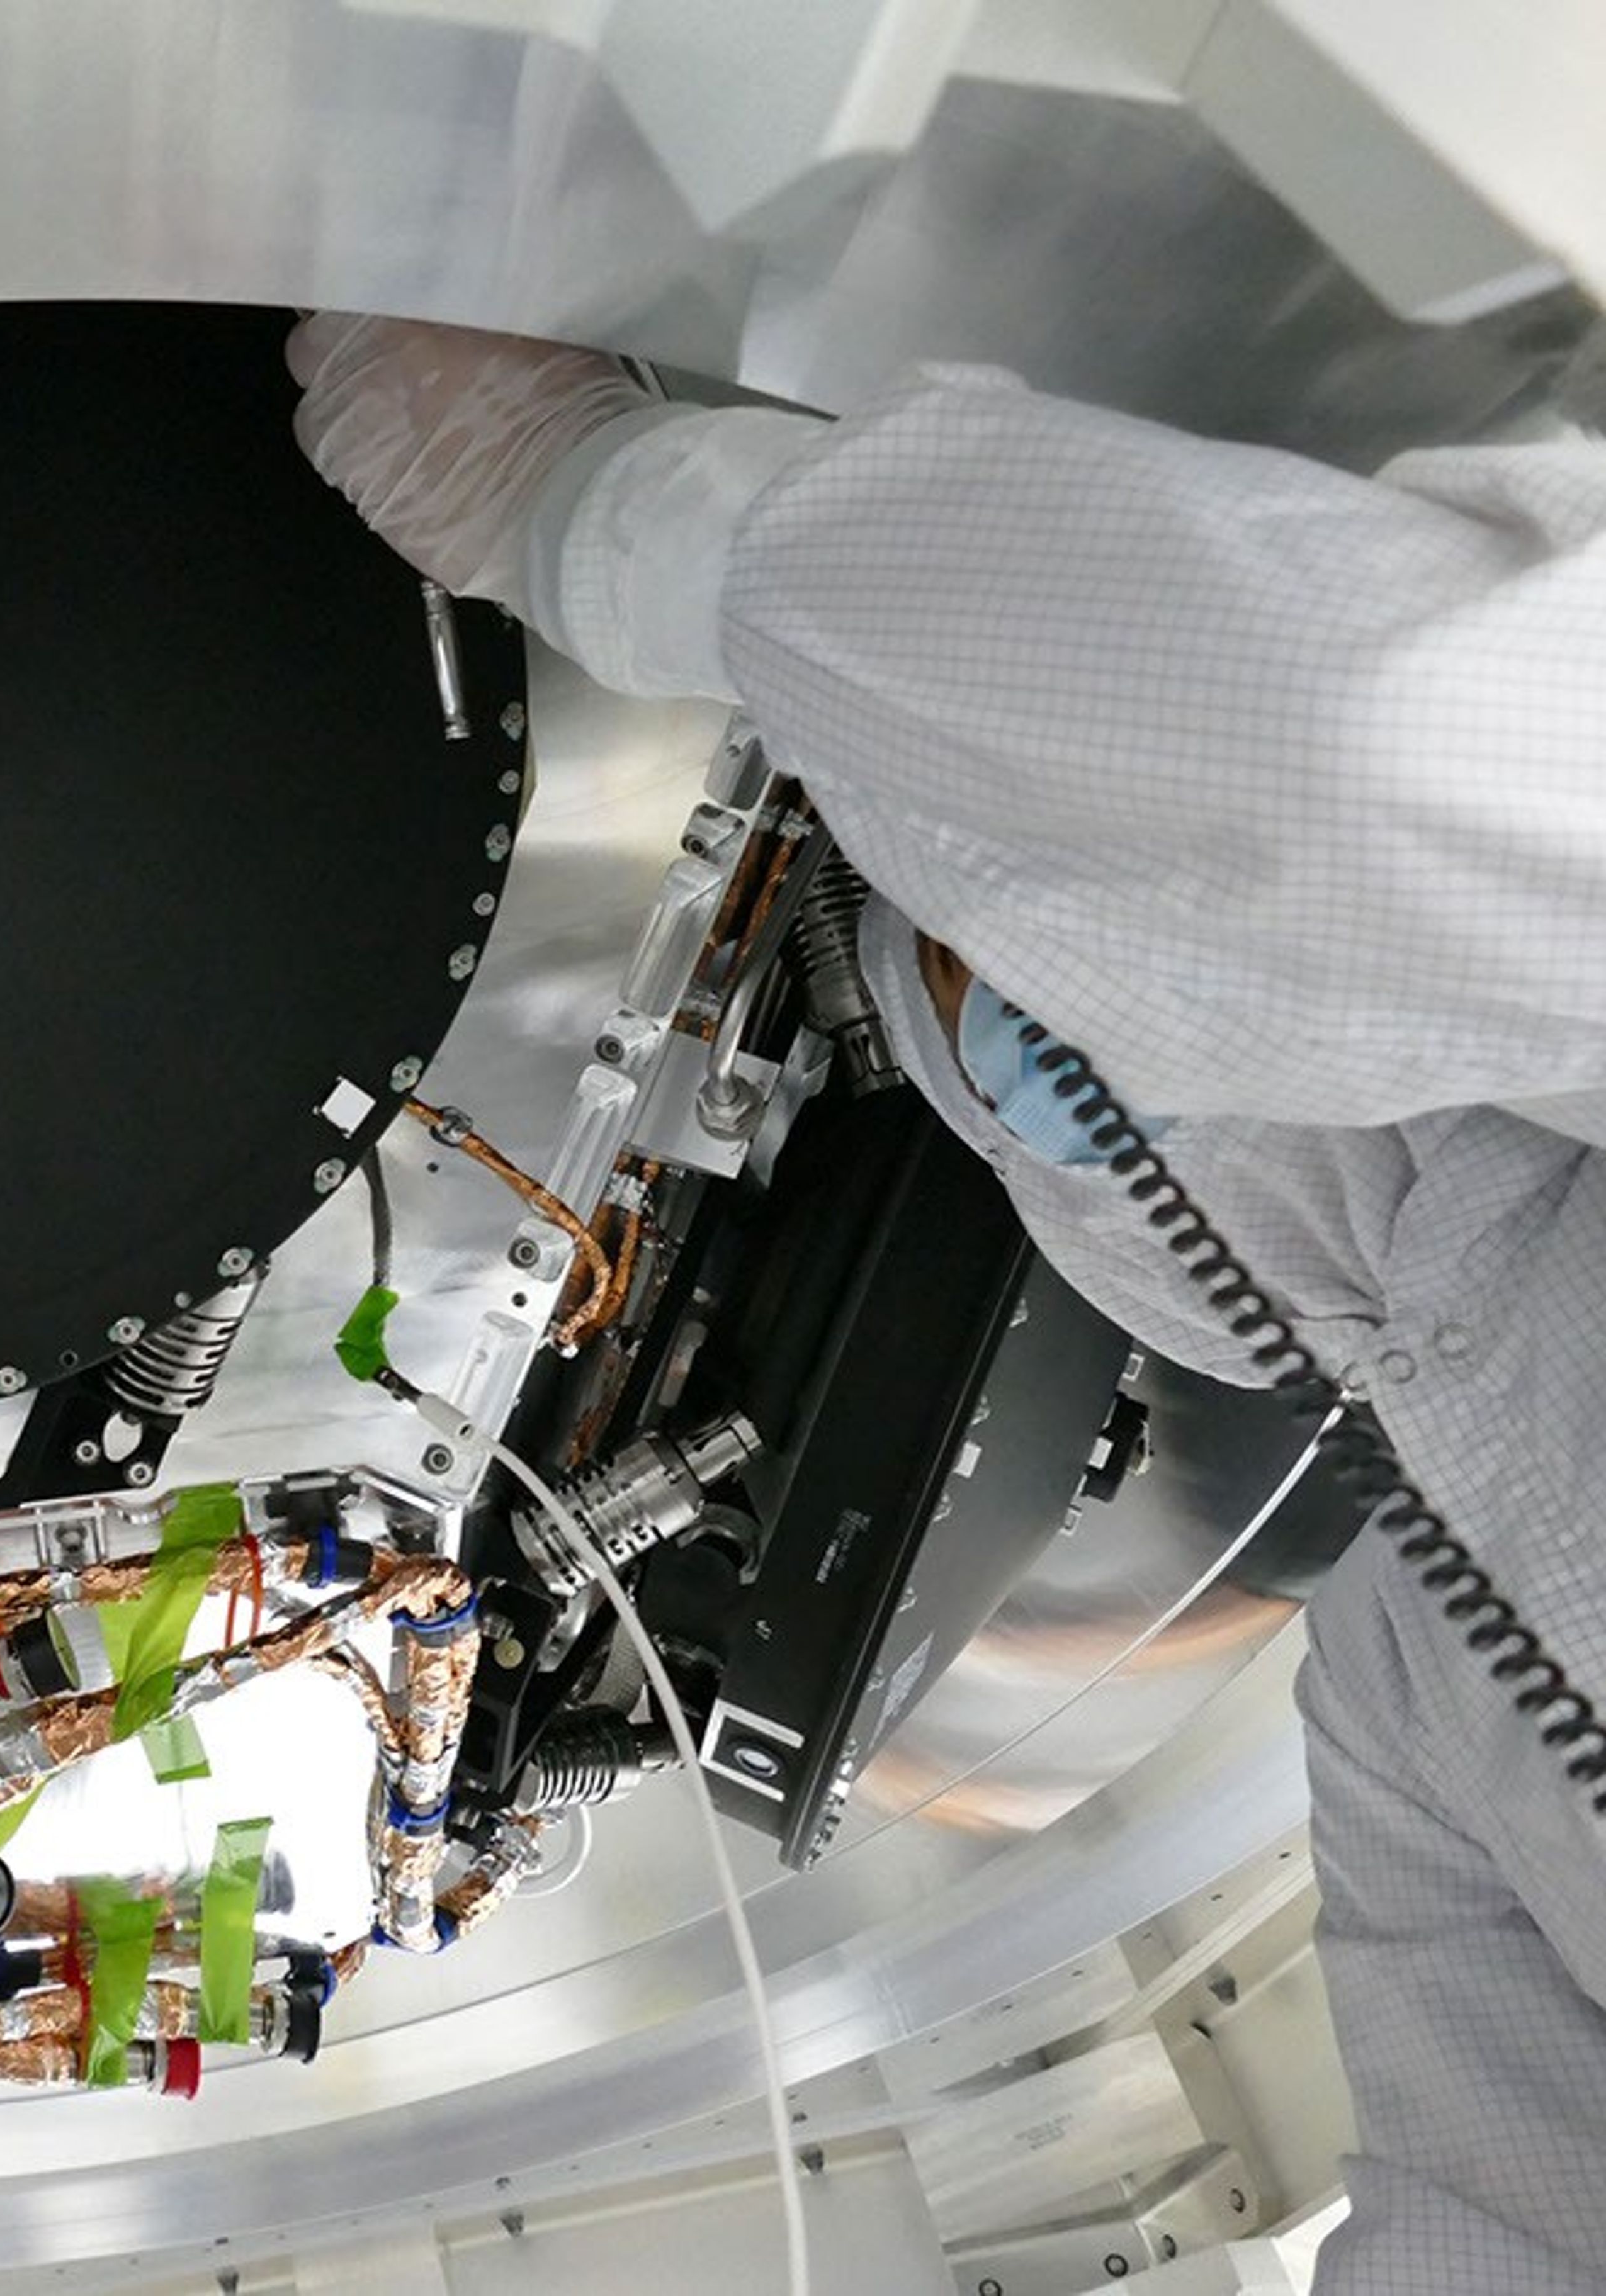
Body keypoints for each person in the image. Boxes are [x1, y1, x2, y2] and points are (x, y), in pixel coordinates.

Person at [290, 313, 1606, 2291]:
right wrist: (610, 511)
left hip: (1111, 871)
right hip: (1167, 499)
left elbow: (1441, 1502)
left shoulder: (1462, 1726)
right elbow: (1432, 767)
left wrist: (1033, 1073)